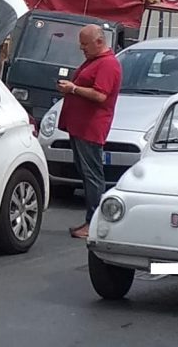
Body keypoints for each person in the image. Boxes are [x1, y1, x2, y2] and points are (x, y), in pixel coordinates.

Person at [57, 24, 122, 239]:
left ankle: (95, 222)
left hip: (91, 128)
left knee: (92, 175)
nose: (81, 48)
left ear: (99, 42)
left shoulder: (108, 64)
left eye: (85, 44)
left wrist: (73, 89)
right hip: (80, 126)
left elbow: (100, 95)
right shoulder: (95, 61)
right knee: (86, 173)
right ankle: (91, 219)